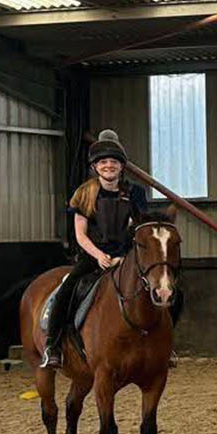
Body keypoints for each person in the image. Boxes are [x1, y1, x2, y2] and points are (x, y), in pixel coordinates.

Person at [42, 129, 150, 368]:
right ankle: (53, 345)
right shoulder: (84, 193)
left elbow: (139, 227)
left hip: (126, 256)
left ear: (121, 167)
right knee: (67, 290)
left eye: (114, 162)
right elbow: (80, 234)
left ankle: (162, 346)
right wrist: (99, 256)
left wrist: (123, 256)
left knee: (160, 289)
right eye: (103, 162)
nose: (109, 165)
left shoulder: (136, 193)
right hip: (93, 256)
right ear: (95, 166)